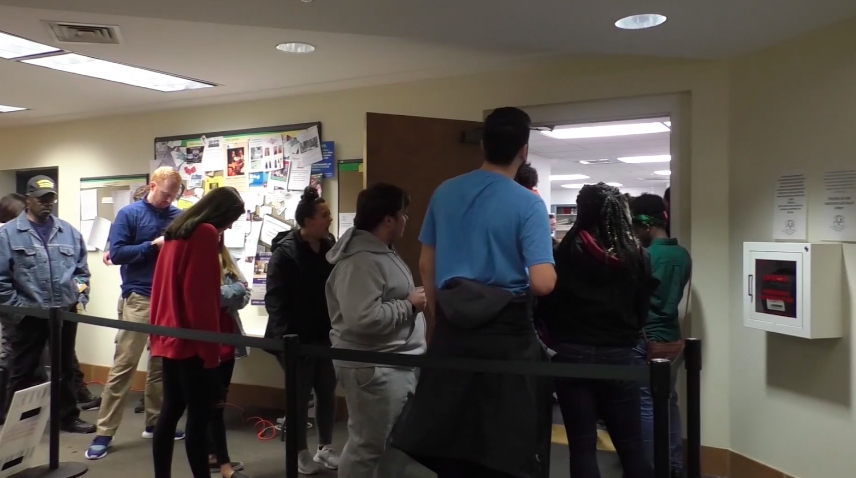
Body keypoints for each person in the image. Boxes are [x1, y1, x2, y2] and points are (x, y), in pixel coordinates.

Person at [394, 107, 556, 478]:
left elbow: (425, 266)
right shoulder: (528, 203)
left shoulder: (445, 192)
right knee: (504, 446)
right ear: (524, 150)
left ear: (483, 144)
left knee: (454, 441)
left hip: (454, 330)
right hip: (506, 339)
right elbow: (543, 283)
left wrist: (437, 318)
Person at [540, 183, 656, 478]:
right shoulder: (638, 256)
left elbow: (548, 305)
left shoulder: (564, 252)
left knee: (581, 446)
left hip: (571, 354)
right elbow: (641, 312)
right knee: (630, 445)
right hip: (619, 356)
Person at [325, 184, 427, 478]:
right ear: (388, 219)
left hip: (392, 363)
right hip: (374, 368)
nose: (407, 219)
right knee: (367, 447)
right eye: (404, 213)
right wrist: (409, 305)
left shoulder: (381, 254)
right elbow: (363, 319)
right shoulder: (361, 261)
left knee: (390, 446)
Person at [86, 168, 184, 460]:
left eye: (173, 195)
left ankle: (155, 422)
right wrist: (153, 246)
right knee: (125, 365)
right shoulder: (130, 214)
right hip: (140, 297)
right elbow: (116, 254)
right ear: (152, 186)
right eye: (165, 193)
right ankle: (104, 431)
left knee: (161, 366)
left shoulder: (178, 217)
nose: (168, 200)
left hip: (168, 300)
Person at [149, 186, 245, 478]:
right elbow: (201, 298)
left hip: (169, 336)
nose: (229, 226)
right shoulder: (203, 233)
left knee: (170, 412)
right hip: (194, 341)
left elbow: (163, 290)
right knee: (199, 418)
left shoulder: (175, 233)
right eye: (231, 219)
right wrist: (211, 350)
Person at [0, 176, 94, 432]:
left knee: (65, 368)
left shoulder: (69, 232)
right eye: (41, 198)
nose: (47, 203)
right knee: (24, 370)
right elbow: (1, 280)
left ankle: (67, 417)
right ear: (28, 199)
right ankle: (16, 424)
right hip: (28, 315)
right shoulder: (8, 234)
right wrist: (19, 309)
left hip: (64, 312)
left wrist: (77, 297)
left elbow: (82, 272)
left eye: (50, 198)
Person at [264, 186, 339, 475]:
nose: (329, 219)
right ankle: (300, 452)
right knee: (299, 398)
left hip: (324, 335)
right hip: (295, 339)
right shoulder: (285, 253)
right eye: (324, 215)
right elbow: (275, 300)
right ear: (308, 221)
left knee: (327, 391)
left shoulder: (330, 246)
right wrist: (289, 340)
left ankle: (325, 448)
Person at [630, 194, 691, 477]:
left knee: (644, 405)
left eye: (635, 227)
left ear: (646, 226)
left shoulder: (645, 256)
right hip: (672, 338)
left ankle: (652, 469)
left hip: (646, 338)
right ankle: (674, 465)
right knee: (669, 401)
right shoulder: (682, 255)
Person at [208, 237, 251, 478]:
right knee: (210, 404)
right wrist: (233, 291)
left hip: (228, 340)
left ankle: (215, 454)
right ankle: (218, 459)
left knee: (220, 400)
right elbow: (208, 297)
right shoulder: (198, 258)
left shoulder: (226, 257)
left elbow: (245, 292)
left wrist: (230, 292)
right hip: (207, 340)